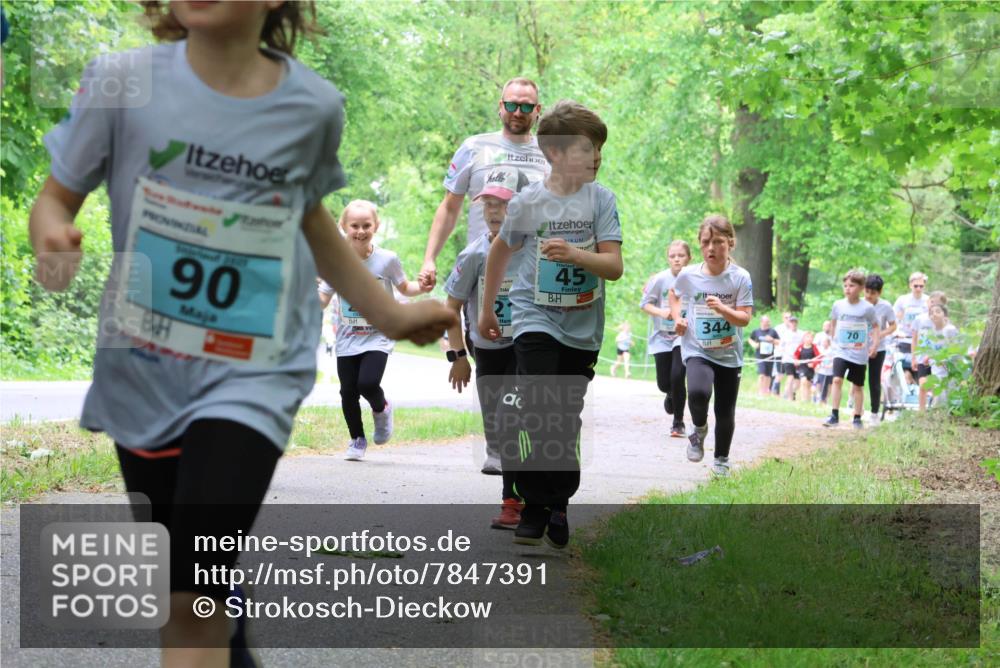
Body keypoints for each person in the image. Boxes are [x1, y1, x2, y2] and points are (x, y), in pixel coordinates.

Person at [28, 3, 455, 665]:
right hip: (142, 374)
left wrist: (393, 314)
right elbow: (57, 196)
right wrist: (52, 240)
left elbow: (313, 224)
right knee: (196, 597)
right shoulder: (121, 82)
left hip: (251, 375)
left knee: (191, 596)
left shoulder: (312, 106)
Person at [479, 100, 622, 549]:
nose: (597, 157)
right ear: (556, 154)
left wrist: (577, 255)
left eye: (599, 148)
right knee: (537, 406)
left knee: (563, 417)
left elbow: (614, 266)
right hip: (532, 315)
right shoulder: (528, 202)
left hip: (582, 325)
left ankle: (556, 503)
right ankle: (535, 505)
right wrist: (486, 310)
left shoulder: (601, 200)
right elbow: (501, 251)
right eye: (587, 148)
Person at [442, 166, 525, 527]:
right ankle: (514, 488)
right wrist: (458, 356)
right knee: (498, 420)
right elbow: (451, 308)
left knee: (516, 419)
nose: (493, 211)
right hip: (487, 350)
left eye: (502, 204)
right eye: (488, 204)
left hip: (526, 346)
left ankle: (515, 501)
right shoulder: (473, 254)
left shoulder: (534, 249)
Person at [318, 200, 431, 461]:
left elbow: (405, 288)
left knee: (367, 383)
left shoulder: (387, 259)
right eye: (354, 226)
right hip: (347, 337)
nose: (360, 231)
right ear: (343, 226)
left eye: (366, 225)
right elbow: (323, 299)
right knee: (348, 391)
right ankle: (357, 439)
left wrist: (423, 287)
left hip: (378, 334)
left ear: (376, 226)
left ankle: (381, 409)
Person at [419, 77, 549, 291]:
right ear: (500, 106)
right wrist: (429, 259)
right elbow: (450, 208)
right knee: (482, 324)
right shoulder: (473, 147)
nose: (517, 112)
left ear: (537, 110)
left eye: (526, 106)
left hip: (532, 269)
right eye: (511, 105)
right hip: (482, 264)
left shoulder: (549, 153)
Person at [670, 215, 753, 477]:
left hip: (729, 354)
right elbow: (674, 294)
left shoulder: (740, 277)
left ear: (730, 243)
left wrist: (723, 309)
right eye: (706, 242)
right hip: (698, 349)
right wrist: (678, 318)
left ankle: (721, 460)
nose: (711, 249)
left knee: (725, 409)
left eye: (717, 242)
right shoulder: (689, 275)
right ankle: (699, 428)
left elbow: (745, 318)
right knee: (697, 393)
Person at [640, 240, 692, 437]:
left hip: (683, 335)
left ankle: (678, 422)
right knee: (664, 382)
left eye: (681, 255)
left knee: (678, 376)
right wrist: (662, 313)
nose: (677, 259)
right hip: (661, 336)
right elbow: (644, 304)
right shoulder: (659, 279)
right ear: (668, 258)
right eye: (673, 256)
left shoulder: (695, 278)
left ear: (689, 257)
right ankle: (670, 393)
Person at [823, 270, 880, 429]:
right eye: (845, 285)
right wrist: (833, 340)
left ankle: (857, 417)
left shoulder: (867, 308)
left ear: (861, 288)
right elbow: (834, 322)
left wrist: (874, 345)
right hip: (841, 350)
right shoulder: (838, 305)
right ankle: (834, 414)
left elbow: (875, 327)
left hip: (859, 353)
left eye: (852, 285)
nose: (847, 288)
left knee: (857, 386)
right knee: (836, 379)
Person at [864, 274, 897, 423]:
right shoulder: (859, 304)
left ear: (880, 292)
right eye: (867, 292)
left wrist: (879, 335)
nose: (869, 296)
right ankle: (856, 410)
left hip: (879, 348)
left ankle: (874, 413)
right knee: (857, 378)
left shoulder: (885, 306)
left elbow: (893, 325)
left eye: (873, 293)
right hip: (859, 347)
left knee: (874, 380)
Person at [913, 296, 955, 410]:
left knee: (943, 392)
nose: (934, 314)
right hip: (930, 363)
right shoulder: (924, 323)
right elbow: (917, 339)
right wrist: (918, 357)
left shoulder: (949, 329)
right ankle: (923, 412)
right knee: (925, 386)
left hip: (946, 368)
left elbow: (954, 349)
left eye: (937, 310)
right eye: (932, 312)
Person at [893, 271, 929, 382]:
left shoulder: (928, 301)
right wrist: (897, 332)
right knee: (905, 367)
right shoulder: (902, 300)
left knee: (921, 370)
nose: (918, 288)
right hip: (905, 339)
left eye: (921, 286)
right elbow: (894, 319)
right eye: (916, 286)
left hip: (921, 341)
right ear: (910, 285)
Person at [748, 314, 780, 397]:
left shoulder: (772, 331)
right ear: (761, 322)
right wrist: (754, 344)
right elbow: (750, 339)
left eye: (768, 321)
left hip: (770, 356)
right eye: (766, 321)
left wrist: (772, 340)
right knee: (761, 374)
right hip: (759, 356)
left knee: (768, 375)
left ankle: (766, 391)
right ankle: (760, 392)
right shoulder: (756, 331)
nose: (767, 323)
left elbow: (779, 342)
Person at [780, 315, 803, 400]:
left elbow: (803, 346)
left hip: (798, 360)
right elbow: (781, 346)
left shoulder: (801, 333)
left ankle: (788, 393)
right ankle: (789, 398)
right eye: (792, 322)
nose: (793, 323)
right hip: (788, 359)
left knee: (798, 381)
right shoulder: (785, 334)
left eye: (795, 322)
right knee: (790, 377)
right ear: (789, 323)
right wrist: (783, 356)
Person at [793, 330, 820, 403]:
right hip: (802, 367)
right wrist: (796, 361)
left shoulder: (814, 347)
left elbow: (819, 357)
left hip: (810, 369)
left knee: (808, 385)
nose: (809, 339)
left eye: (811, 337)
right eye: (808, 337)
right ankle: (802, 399)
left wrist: (813, 364)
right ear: (804, 338)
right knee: (803, 381)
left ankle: (807, 400)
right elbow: (795, 355)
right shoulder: (800, 347)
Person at [813, 320, 834, 404]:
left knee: (829, 383)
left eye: (829, 326)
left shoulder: (833, 336)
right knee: (818, 381)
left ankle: (826, 399)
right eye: (825, 326)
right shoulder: (819, 336)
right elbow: (814, 349)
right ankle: (818, 396)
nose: (827, 327)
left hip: (829, 366)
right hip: (820, 364)